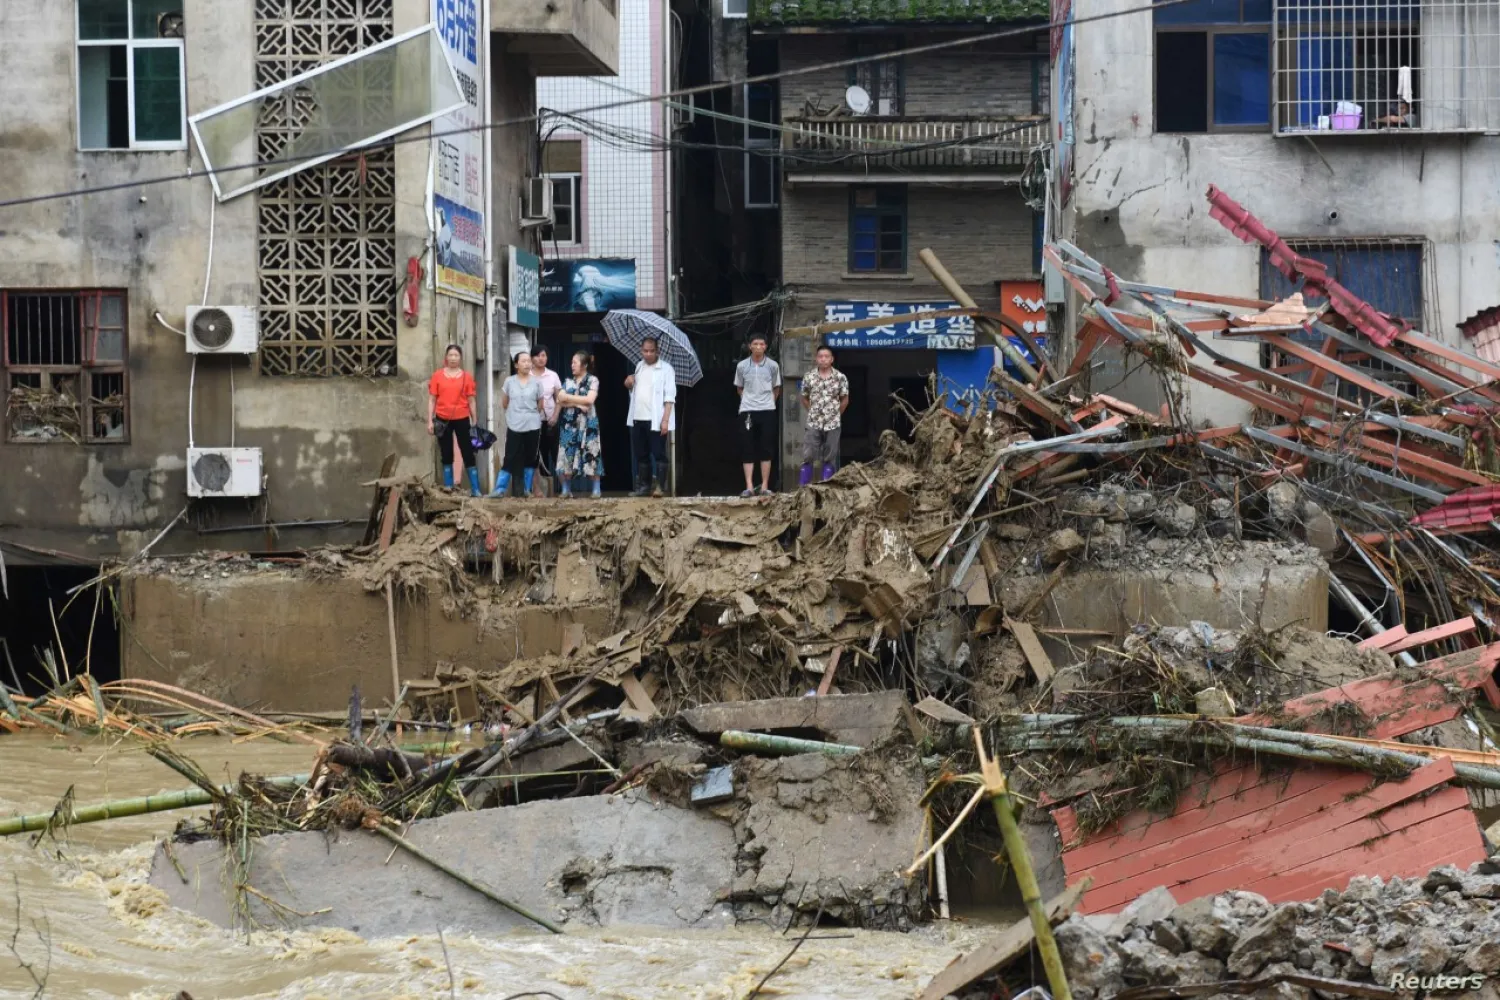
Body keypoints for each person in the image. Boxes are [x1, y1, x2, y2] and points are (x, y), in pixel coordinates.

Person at [623, 336, 676, 497]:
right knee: (641, 454)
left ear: (657, 351)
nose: (648, 354)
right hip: (638, 417)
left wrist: (665, 420)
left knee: (658, 453)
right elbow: (634, 390)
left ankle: (660, 487)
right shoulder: (639, 366)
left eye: (651, 351)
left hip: (656, 420)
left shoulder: (666, 369)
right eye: (645, 351)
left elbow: (669, 397)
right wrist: (629, 382)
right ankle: (644, 487)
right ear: (641, 351)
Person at [427, 343, 480, 497]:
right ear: (446, 357)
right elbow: (432, 399)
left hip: (462, 418)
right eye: (450, 355)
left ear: (460, 358)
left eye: (456, 355)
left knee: (468, 452)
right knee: (446, 452)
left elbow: (471, 401)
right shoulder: (437, 376)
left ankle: (476, 489)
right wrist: (430, 420)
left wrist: (474, 420)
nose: (453, 358)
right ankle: (449, 488)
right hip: (442, 419)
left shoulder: (466, 377)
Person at [492, 351, 545, 497]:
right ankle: (499, 489)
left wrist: (530, 413)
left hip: (532, 424)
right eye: (523, 361)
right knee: (510, 456)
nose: (527, 364)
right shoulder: (509, 381)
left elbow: (540, 404)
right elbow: (504, 402)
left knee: (530, 457)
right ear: (516, 365)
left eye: (529, 361)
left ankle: (526, 490)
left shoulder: (537, 382)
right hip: (514, 424)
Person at [734, 334, 781, 497]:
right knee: (747, 447)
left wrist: (768, 403)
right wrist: (750, 401)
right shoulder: (741, 366)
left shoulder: (773, 366)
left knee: (766, 448)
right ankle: (749, 486)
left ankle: (765, 486)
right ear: (750, 346)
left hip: (767, 410)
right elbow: (739, 388)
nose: (759, 346)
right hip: (747, 410)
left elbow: (776, 388)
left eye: (762, 344)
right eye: (755, 344)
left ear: (766, 346)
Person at [799, 344, 850, 485]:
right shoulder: (809, 377)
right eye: (820, 356)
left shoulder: (840, 377)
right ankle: (803, 489)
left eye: (826, 356)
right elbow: (804, 397)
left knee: (829, 457)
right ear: (816, 359)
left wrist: (835, 414)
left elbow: (844, 400)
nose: (823, 359)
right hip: (813, 421)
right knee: (808, 454)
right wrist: (813, 411)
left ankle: (826, 488)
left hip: (833, 423)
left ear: (832, 359)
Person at [556, 351, 604, 498]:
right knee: (567, 453)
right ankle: (566, 489)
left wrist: (568, 399)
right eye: (571, 362)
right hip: (569, 424)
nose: (572, 365)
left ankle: (596, 489)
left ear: (584, 365)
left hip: (588, 424)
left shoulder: (592, 380)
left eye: (575, 363)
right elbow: (559, 400)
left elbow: (590, 400)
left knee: (591, 452)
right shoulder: (568, 381)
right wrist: (578, 404)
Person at [531, 346, 563, 496]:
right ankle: (542, 490)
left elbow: (559, 398)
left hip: (551, 422)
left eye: (543, 355)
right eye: (537, 356)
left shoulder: (553, 375)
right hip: (533, 423)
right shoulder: (528, 375)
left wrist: (555, 416)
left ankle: (565, 489)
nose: (541, 358)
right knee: (538, 456)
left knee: (557, 454)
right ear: (532, 358)